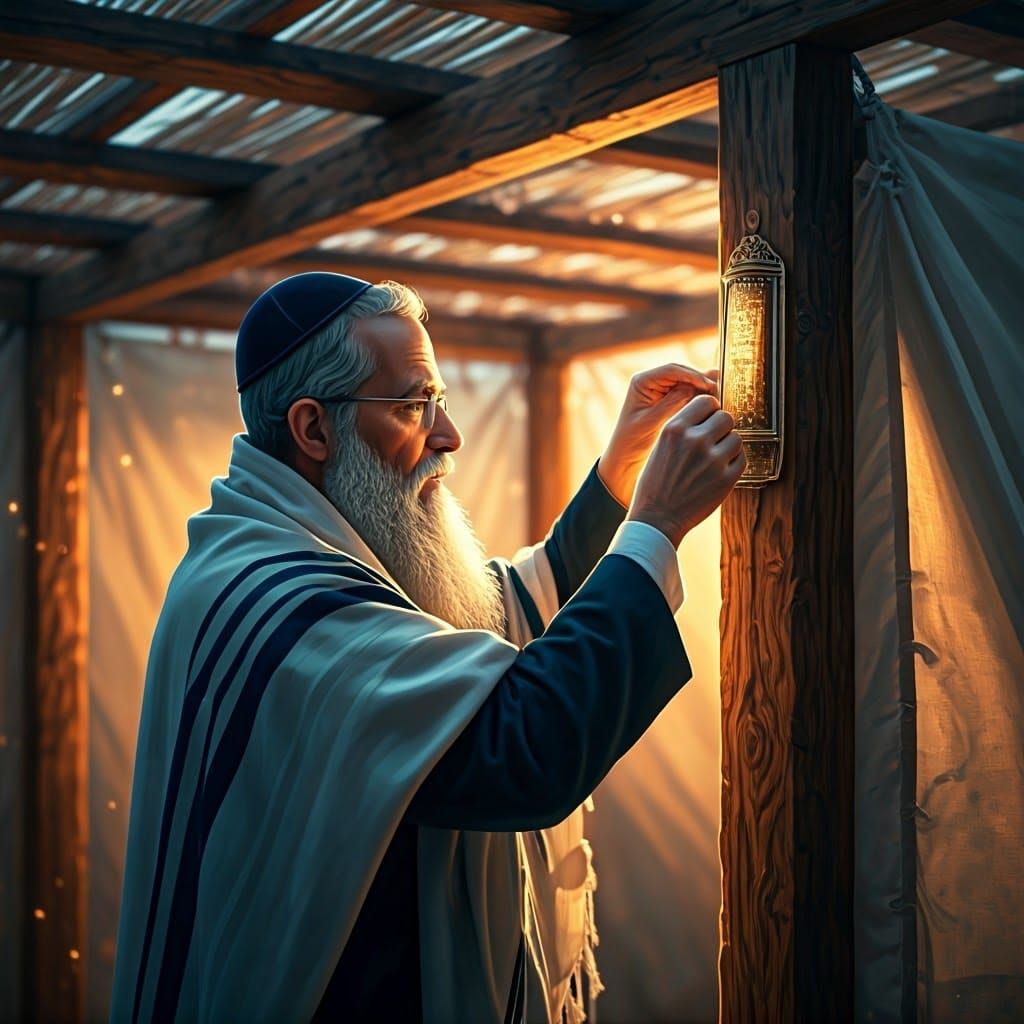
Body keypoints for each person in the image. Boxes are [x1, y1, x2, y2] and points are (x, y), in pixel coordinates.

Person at [111, 272, 745, 1024]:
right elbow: (520, 745)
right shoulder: (287, 605)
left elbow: (502, 612)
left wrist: (617, 479)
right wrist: (654, 525)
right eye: (414, 405)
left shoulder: (267, 548)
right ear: (314, 430)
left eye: (438, 400)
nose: (448, 435)